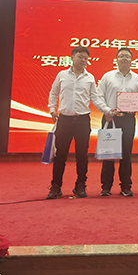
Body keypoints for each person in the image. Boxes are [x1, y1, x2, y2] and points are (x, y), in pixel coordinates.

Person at [47, 46, 99, 199]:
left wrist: (108, 110)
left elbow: (95, 98)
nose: (83, 60)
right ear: (72, 57)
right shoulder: (62, 75)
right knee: (60, 155)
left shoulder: (90, 78)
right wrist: (52, 109)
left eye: (85, 58)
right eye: (80, 57)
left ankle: (80, 186)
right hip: (64, 120)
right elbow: (54, 93)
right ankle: (56, 187)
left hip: (83, 120)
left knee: (82, 155)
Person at [94, 48, 138, 197]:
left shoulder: (137, 79)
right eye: (121, 56)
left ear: (131, 60)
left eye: (127, 56)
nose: (124, 58)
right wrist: (106, 111)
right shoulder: (107, 76)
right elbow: (98, 96)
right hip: (110, 118)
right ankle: (106, 187)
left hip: (128, 119)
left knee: (126, 153)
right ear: (116, 59)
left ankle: (126, 186)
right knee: (108, 153)